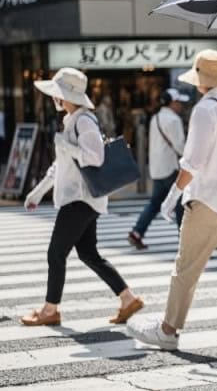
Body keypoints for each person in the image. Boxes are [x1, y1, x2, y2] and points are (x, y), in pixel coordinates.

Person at [126, 49, 217, 351]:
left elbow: (193, 162)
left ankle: (168, 330)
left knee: (186, 266)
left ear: (201, 80)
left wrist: (173, 195)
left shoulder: (205, 110)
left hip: (207, 198)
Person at [21, 68, 142, 326]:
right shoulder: (72, 120)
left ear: (66, 96)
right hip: (83, 199)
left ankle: (50, 310)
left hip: (80, 199)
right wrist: (38, 192)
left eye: (57, 94)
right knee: (88, 253)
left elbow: (94, 158)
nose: (54, 98)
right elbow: (61, 166)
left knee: (56, 254)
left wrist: (67, 146)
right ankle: (128, 299)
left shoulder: (84, 121)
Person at [128, 88, 189, 250]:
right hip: (171, 168)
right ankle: (185, 241)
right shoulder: (174, 120)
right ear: (172, 103)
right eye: (178, 102)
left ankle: (137, 232)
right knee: (180, 204)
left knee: (155, 203)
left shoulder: (155, 118)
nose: (180, 105)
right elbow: (180, 146)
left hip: (157, 168)